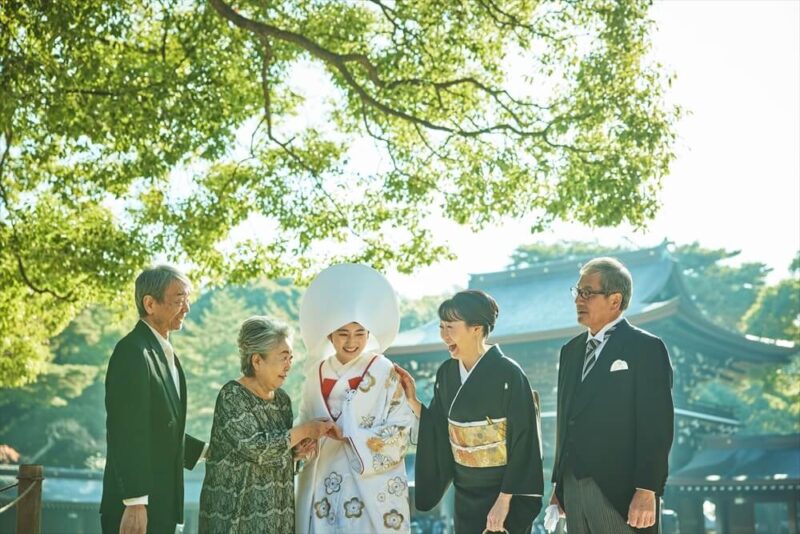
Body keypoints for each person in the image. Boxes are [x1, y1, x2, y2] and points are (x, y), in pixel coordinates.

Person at [395, 289, 544, 534]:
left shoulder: (509, 374)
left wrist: (504, 501)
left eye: (450, 327)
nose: (443, 336)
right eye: (441, 327)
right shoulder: (446, 373)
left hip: (503, 493)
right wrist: (413, 401)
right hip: (466, 493)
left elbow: (524, 440)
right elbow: (438, 428)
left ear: (476, 328)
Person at [549, 257, 674, 534]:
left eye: (587, 293)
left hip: (621, 491)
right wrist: (559, 486)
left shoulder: (646, 348)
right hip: (573, 487)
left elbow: (657, 425)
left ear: (615, 300)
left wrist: (647, 489)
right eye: (577, 292)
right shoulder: (569, 352)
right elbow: (566, 418)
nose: (578, 300)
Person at [295, 263, 416, 533]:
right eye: (343, 334)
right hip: (322, 475)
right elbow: (304, 419)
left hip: (366, 483)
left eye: (360, 333)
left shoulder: (384, 370)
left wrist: (349, 433)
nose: (352, 341)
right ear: (330, 335)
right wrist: (303, 441)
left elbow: (399, 429)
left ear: (369, 334)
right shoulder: (315, 373)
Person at [198, 316, 337, 534]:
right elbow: (257, 449)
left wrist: (296, 454)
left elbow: (279, 454)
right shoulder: (232, 396)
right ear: (256, 361)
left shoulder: (282, 401)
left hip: (277, 519)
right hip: (235, 519)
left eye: (291, 357)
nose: (289, 365)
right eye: (283, 358)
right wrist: (305, 430)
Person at [100, 265, 206, 534]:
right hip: (136, 509)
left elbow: (161, 429)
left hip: (161, 506)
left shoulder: (163, 353)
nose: (187, 308)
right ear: (150, 303)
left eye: (187, 300)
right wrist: (135, 502)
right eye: (179, 300)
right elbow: (127, 431)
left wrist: (209, 452)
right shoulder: (132, 351)